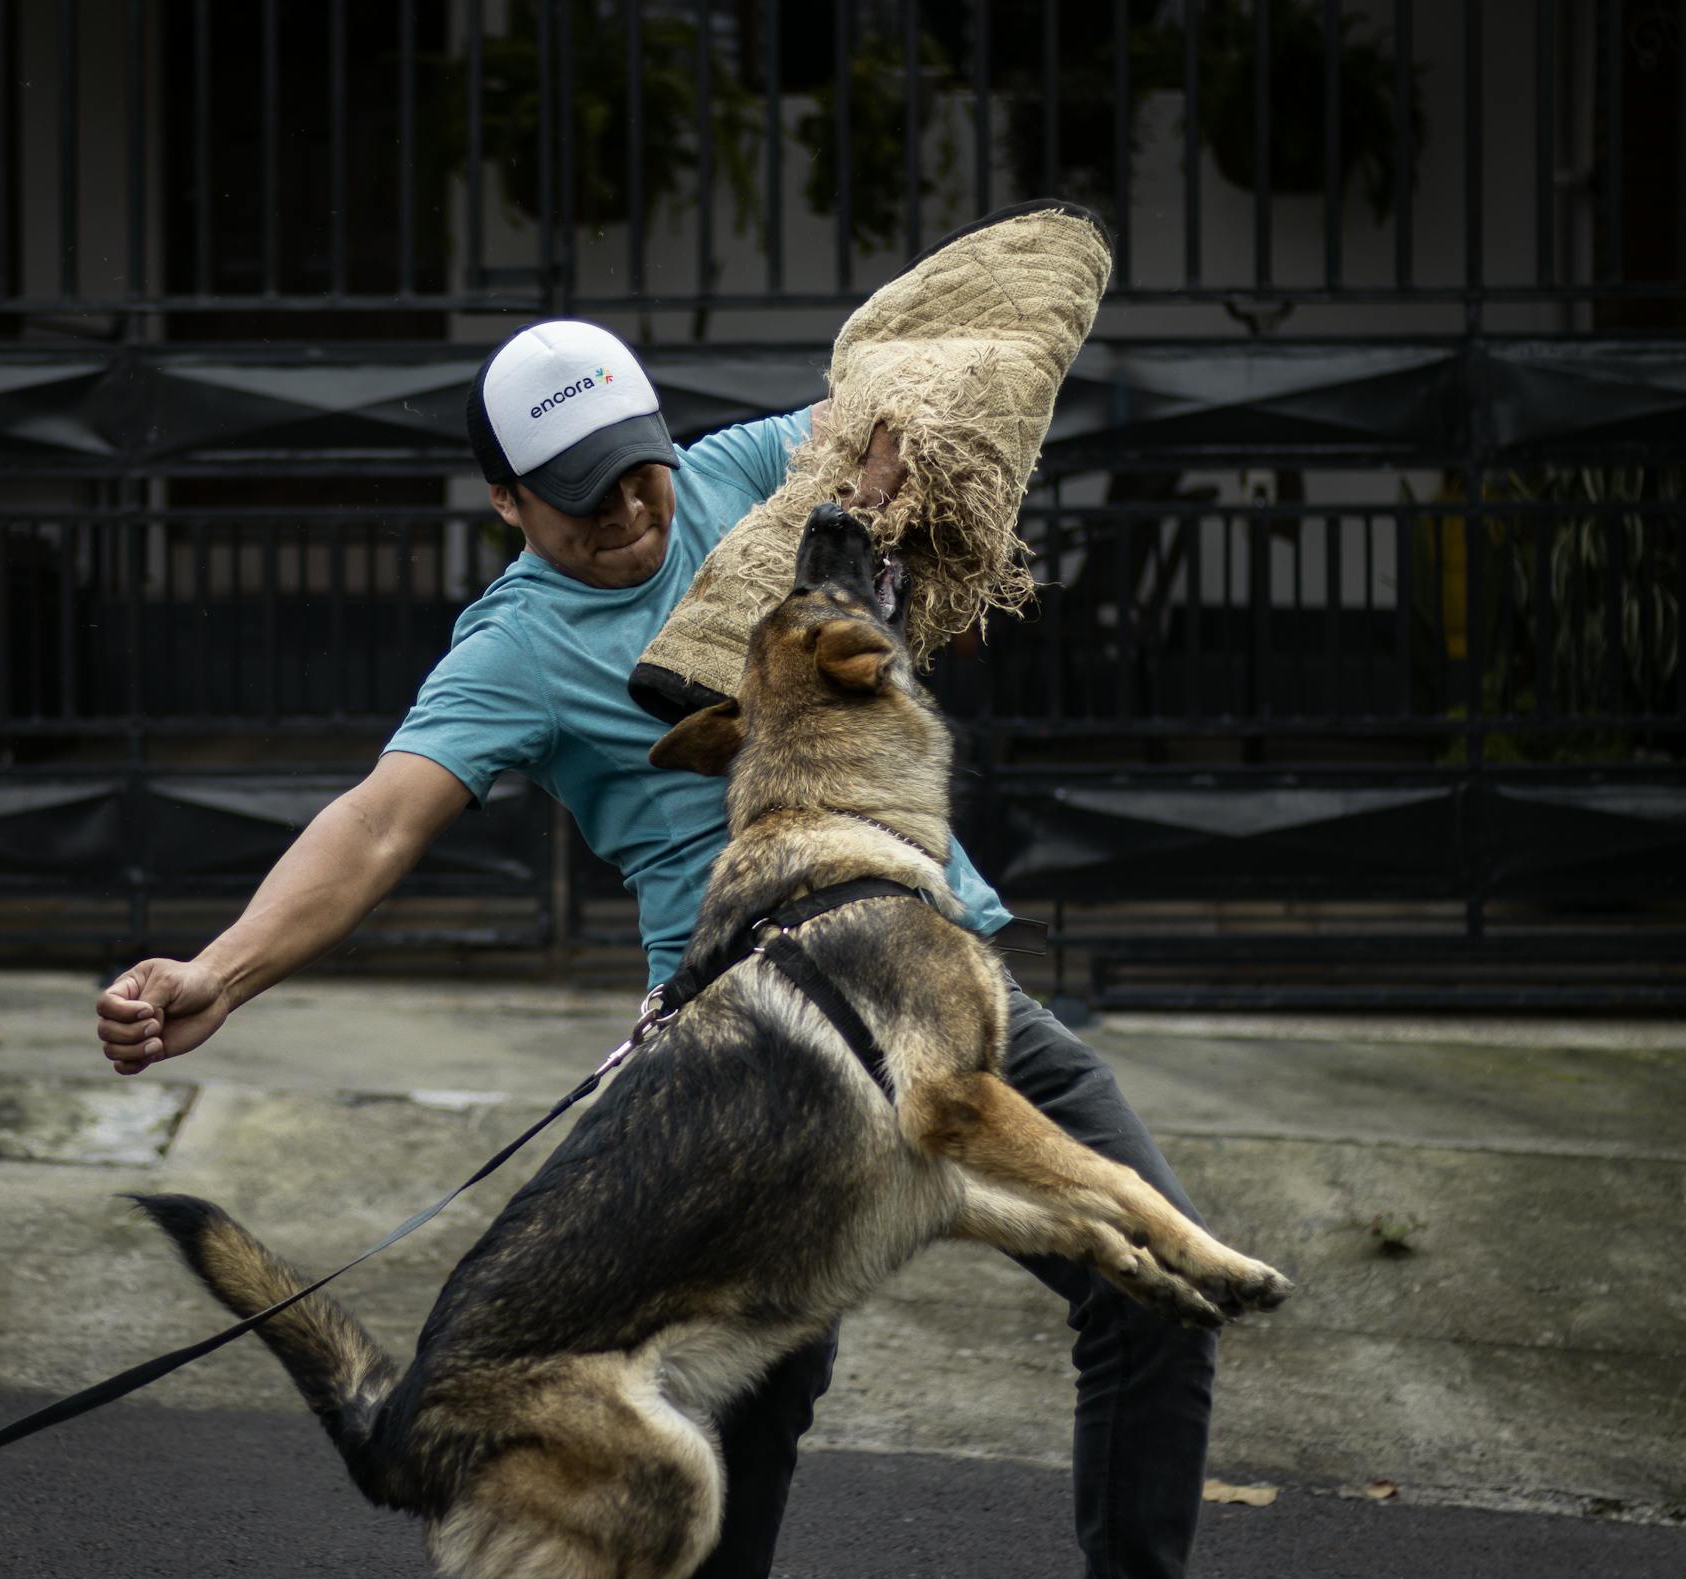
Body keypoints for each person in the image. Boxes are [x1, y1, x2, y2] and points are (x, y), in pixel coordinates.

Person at [96, 318, 1218, 1579]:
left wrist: (927, 437)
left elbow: (896, 416)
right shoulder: (516, 645)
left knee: (1158, 1281)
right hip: (747, 1041)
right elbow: (374, 824)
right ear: (507, 503)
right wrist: (219, 972)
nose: (630, 505)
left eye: (640, 466)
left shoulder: (740, 470)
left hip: (927, 970)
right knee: (754, 1390)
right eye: (583, 493)